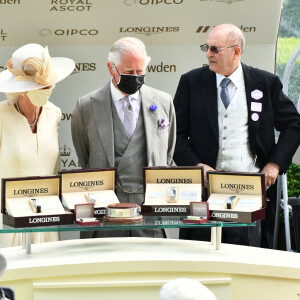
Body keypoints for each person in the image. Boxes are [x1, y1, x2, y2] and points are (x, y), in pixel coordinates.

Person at [173, 24, 300, 247]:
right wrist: (195, 165)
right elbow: (174, 134)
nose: (208, 54)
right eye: (207, 47)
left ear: (236, 51)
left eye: (215, 49)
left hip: (250, 191)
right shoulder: (191, 82)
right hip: (204, 191)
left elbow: (293, 125)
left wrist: (275, 164)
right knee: (199, 253)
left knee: (247, 254)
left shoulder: (265, 83)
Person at [71, 37, 176, 238]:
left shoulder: (164, 102)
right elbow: (84, 157)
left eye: (140, 71)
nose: (136, 77)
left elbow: (168, 152)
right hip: (104, 216)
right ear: (112, 69)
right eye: (129, 72)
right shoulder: (86, 106)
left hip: (149, 215)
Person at [0, 43, 75, 247]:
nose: (48, 89)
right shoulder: (1, 116)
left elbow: (55, 168)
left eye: (50, 84)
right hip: (8, 223)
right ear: (22, 89)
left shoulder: (54, 114)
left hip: (47, 221)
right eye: (42, 86)